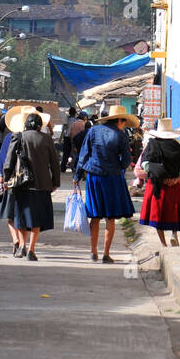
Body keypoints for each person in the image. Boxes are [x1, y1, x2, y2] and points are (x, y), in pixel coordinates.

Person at [75, 103, 136, 263]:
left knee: (95, 216)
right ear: (120, 120)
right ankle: (106, 254)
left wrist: (77, 176)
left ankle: (93, 252)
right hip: (113, 179)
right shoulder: (121, 135)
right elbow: (127, 160)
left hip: (94, 177)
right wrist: (119, 168)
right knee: (110, 218)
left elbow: (84, 154)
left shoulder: (93, 131)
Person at [3, 109, 60, 261]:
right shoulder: (47, 139)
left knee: (21, 216)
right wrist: (55, 182)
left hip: (22, 184)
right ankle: (31, 249)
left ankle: (22, 244)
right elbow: (55, 163)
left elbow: (9, 161)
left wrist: (5, 178)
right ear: (40, 125)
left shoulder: (18, 136)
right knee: (37, 218)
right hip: (42, 184)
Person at [139, 116, 180, 247]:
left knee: (158, 213)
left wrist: (159, 175)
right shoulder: (179, 144)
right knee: (174, 211)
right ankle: (174, 234)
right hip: (176, 184)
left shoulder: (152, 145)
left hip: (158, 184)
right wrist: (178, 177)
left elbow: (145, 163)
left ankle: (163, 243)